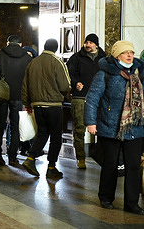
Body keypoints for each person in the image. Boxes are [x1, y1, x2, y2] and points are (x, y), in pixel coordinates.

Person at [84, 40, 144, 215]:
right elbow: (93, 98)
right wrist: (91, 122)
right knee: (110, 163)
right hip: (110, 126)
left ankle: (132, 203)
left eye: (131, 52)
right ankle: (106, 197)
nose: (129, 55)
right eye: (125, 52)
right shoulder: (105, 74)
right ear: (117, 56)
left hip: (135, 127)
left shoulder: (139, 74)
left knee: (133, 166)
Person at [21, 38, 71, 178]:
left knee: (42, 133)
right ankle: (51, 167)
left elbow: (25, 86)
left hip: (37, 105)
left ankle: (30, 158)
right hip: (53, 105)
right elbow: (65, 85)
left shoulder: (32, 63)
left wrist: (27, 103)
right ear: (56, 48)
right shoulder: (57, 62)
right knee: (56, 136)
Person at [0, 35, 32, 166]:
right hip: (18, 95)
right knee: (15, 125)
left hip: (1, 93)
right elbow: (29, 79)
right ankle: (12, 156)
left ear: (7, 43)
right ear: (21, 44)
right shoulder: (27, 58)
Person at [66, 33, 106, 169]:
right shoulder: (76, 58)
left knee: (103, 129)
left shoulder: (104, 59)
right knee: (79, 129)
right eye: (86, 42)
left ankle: (103, 157)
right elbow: (68, 73)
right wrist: (75, 82)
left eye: (90, 43)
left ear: (96, 44)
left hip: (100, 99)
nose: (87, 45)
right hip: (80, 98)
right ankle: (81, 158)